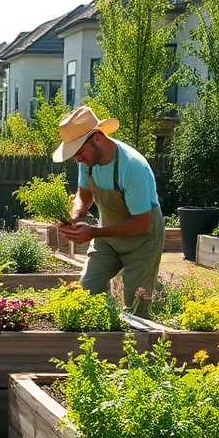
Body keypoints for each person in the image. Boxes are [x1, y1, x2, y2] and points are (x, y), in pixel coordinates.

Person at [52, 106, 164, 315]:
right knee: (86, 293)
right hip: (108, 235)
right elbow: (84, 197)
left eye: (79, 152)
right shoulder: (87, 161)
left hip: (143, 239)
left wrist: (93, 233)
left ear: (96, 138)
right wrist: (75, 215)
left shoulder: (132, 167)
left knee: (135, 309)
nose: (77, 159)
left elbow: (142, 222)